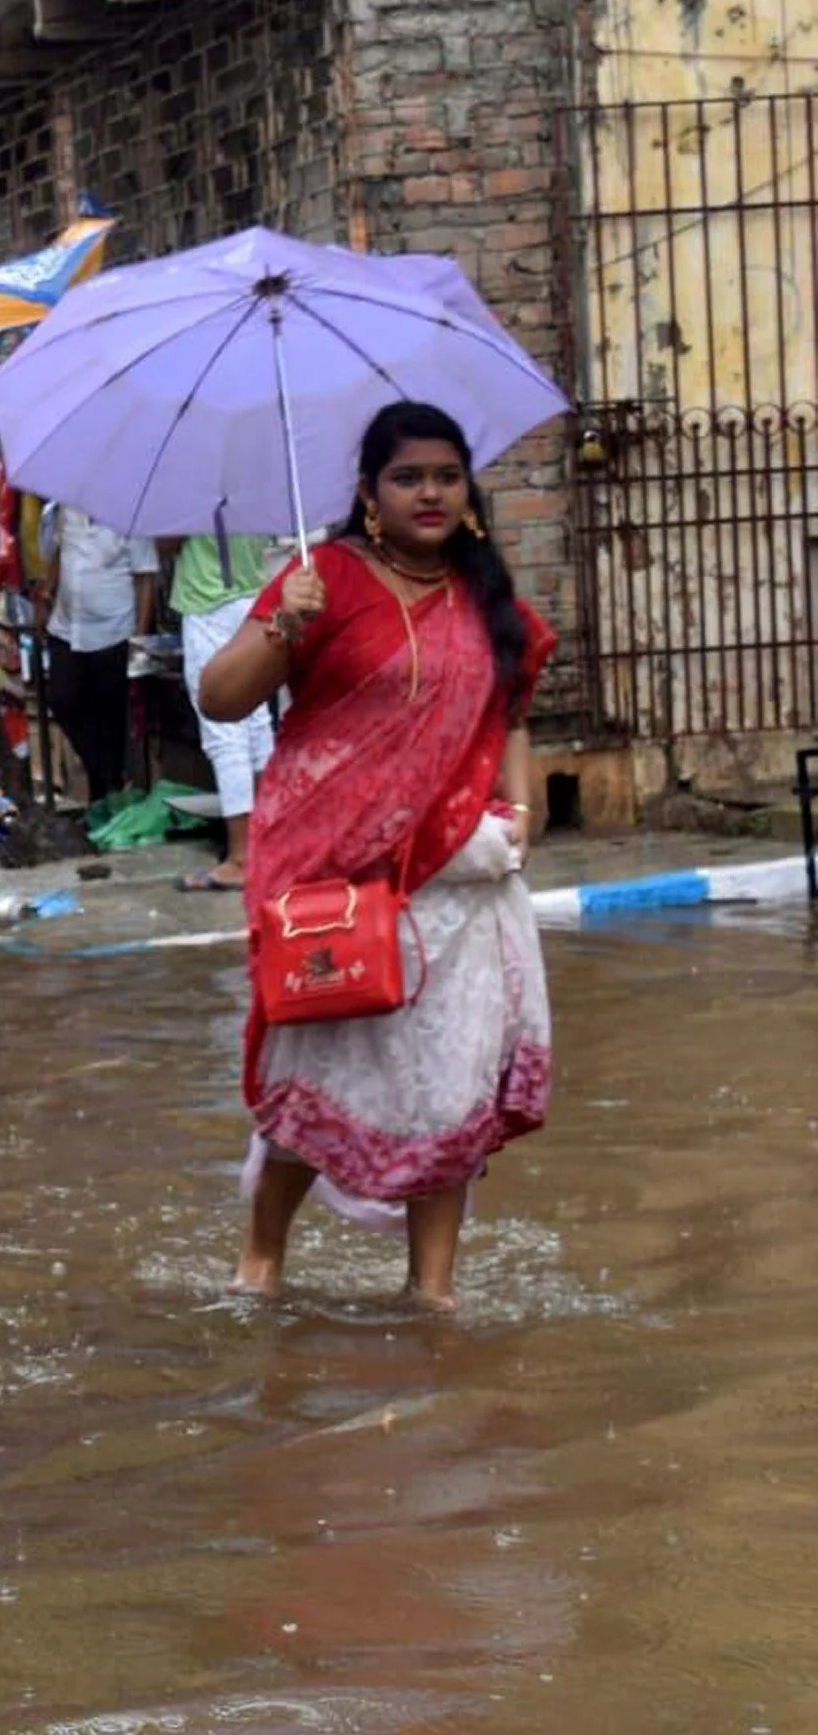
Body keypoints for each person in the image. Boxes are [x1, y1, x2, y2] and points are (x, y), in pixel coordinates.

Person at [198, 401, 555, 1309]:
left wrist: (522, 806)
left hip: (460, 874)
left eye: (446, 476)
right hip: (336, 882)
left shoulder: (485, 594)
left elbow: (511, 714)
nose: (429, 493)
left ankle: (432, 1293)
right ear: (368, 493)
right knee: (317, 1073)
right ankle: (261, 1264)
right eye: (407, 478)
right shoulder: (322, 580)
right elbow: (220, 699)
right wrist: (283, 624)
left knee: (452, 1082)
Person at [167, 529, 284, 892]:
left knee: (224, 733)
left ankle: (240, 858)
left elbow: (168, 542)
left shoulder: (189, 496)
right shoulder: (251, 494)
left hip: (208, 601)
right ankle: (267, 844)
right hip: (251, 599)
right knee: (257, 723)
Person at [38, 502, 158, 804]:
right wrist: (46, 591)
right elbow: (59, 553)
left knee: (109, 718)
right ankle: (109, 779)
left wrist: (139, 639)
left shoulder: (131, 514)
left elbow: (145, 579)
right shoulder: (67, 509)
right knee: (62, 701)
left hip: (113, 631)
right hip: (67, 626)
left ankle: (104, 798)